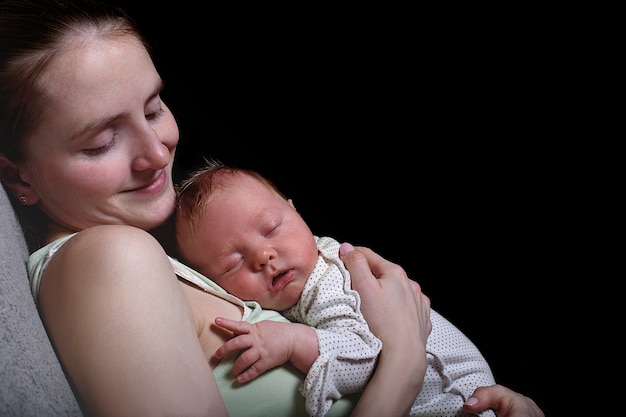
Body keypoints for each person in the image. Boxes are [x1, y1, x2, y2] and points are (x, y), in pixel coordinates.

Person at [0, 0, 544, 416]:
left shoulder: (154, 259)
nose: (157, 150)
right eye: (100, 143)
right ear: (18, 175)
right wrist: (401, 358)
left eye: (154, 107)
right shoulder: (109, 258)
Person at [174, 160, 499, 417]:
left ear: (295, 211)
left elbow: (367, 359)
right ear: (215, 287)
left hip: (459, 398)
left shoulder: (329, 280)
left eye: (271, 228)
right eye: (233, 263)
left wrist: (292, 342)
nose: (263, 256)